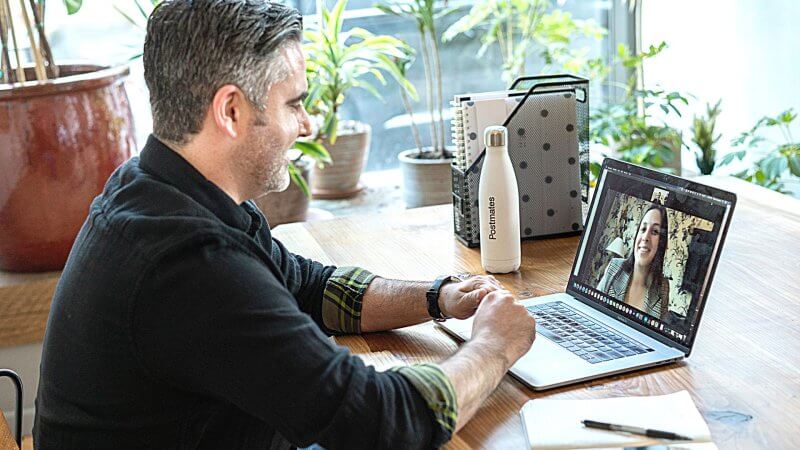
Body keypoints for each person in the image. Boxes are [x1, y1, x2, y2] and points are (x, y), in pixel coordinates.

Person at [32, 1, 537, 449]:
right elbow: (383, 424)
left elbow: (307, 287)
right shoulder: (190, 264)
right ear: (231, 110)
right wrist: (494, 344)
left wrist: (438, 296)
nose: (308, 124)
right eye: (294, 102)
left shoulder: (160, 186)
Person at [597, 205, 671, 319]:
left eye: (655, 231)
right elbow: (593, 307)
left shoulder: (663, 287)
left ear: (661, 243)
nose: (645, 237)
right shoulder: (614, 266)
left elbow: (658, 331)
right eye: (643, 229)